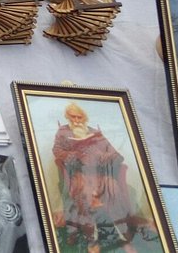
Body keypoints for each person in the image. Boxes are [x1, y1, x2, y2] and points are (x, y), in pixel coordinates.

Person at [51, 102, 148, 250]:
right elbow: (57, 151)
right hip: (79, 174)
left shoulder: (95, 133)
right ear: (67, 117)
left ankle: (122, 232)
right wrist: (75, 155)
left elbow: (115, 154)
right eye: (73, 117)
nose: (77, 121)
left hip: (101, 175)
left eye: (80, 117)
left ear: (85, 118)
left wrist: (105, 156)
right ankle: (92, 237)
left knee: (113, 189)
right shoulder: (63, 132)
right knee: (84, 193)